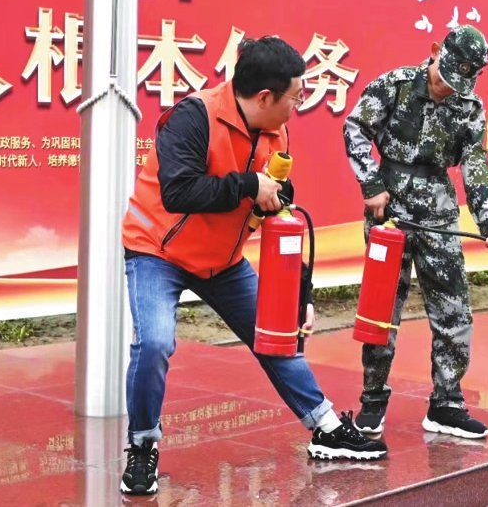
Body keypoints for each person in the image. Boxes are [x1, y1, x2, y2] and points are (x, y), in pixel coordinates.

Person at [119, 36, 388, 496]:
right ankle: (142, 445)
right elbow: (178, 191)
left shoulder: (276, 134)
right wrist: (249, 185)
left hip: (222, 261)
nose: (296, 108)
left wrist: (299, 294)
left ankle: (325, 427)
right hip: (156, 250)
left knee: (276, 333)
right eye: (295, 98)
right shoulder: (193, 117)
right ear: (265, 97)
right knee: (155, 342)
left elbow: (281, 209)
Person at [342, 24, 488, 440]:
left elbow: (475, 165)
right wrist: (371, 185)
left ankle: (446, 404)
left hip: (439, 214)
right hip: (390, 213)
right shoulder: (395, 85)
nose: (448, 88)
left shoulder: (469, 106)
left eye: (459, 83)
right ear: (435, 51)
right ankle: (372, 400)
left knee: (454, 309)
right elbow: (355, 127)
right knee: (382, 310)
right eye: (445, 78)